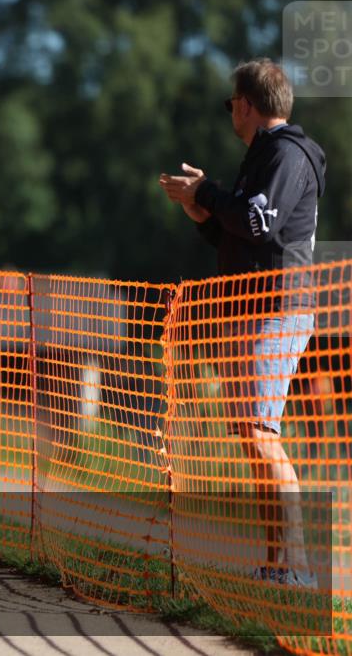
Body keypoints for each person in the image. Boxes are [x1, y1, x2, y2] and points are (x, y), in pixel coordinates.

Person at [159, 59, 325, 587]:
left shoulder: (285, 152)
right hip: (253, 307)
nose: (230, 111)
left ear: (247, 104)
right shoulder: (266, 155)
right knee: (254, 436)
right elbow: (246, 235)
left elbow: (258, 220)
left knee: (260, 435)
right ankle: (278, 563)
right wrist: (203, 214)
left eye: (232, 102)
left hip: (275, 310)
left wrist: (207, 194)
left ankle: (296, 565)